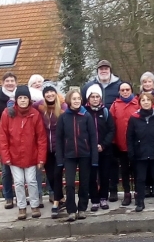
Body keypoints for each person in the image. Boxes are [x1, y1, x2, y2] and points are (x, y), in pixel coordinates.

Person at [0, 85, 47, 220]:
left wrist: (41, 159)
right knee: (19, 182)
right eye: (20, 98)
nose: (22, 100)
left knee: (32, 181)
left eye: (25, 98)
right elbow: (3, 137)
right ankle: (21, 207)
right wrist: (5, 156)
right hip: (14, 156)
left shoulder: (35, 114)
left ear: (29, 99)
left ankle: (34, 205)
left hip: (31, 156)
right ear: (16, 100)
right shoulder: (7, 114)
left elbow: (41, 138)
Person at [82, 60, 121, 202]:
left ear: (110, 70)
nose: (103, 71)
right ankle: (93, 196)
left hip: (109, 136)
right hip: (90, 144)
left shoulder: (118, 85)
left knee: (111, 166)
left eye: (106, 68)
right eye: (101, 69)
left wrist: (104, 143)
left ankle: (112, 190)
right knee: (92, 171)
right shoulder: (89, 86)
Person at [56, 90, 98, 221]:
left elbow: (93, 137)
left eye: (78, 98)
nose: (76, 101)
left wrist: (94, 159)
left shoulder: (86, 116)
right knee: (69, 184)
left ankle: (82, 209)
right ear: (69, 100)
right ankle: (71, 210)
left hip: (85, 154)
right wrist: (59, 158)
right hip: (69, 155)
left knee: (84, 183)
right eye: (74, 99)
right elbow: (58, 139)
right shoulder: (63, 117)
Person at [127, 93, 154, 212]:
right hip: (140, 154)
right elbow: (129, 138)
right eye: (143, 100)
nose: (145, 102)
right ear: (140, 103)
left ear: (152, 102)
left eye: (148, 100)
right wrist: (131, 153)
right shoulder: (134, 118)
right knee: (140, 179)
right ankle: (140, 202)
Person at [32, 81, 67, 218]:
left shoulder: (63, 106)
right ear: (44, 94)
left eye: (51, 91)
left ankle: (56, 203)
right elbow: (26, 105)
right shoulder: (39, 106)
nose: (49, 94)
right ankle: (62, 199)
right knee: (51, 176)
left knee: (57, 174)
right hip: (46, 147)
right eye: (47, 92)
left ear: (55, 92)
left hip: (59, 147)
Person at [85, 84, 115, 211]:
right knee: (92, 175)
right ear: (88, 98)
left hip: (104, 150)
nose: (95, 99)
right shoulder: (84, 112)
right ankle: (94, 200)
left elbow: (112, 130)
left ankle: (103, 198)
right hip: (89, 151)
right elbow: (81, 131)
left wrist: (103, 145)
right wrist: (91, 145)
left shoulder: (106, 112)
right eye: (93, 97)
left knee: (104, 175)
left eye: (97, 96)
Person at [110, 82, 139, 206]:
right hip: (121, 145)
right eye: (122, 90)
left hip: (137, 145)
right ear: (119, 92)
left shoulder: (138, 103)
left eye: (127, 89)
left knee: (137, 171)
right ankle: (127, 194)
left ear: (131, 90)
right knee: (125, 172)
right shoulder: (115, 105)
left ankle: (138, 193)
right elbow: (111, 125)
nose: (125, 92)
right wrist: (113, 142)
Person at [28, 74, 47, 208]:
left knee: (52, 168)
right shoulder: (30, 102)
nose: (38, 84)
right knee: (36, 171)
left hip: (49, 138)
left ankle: (53, 194)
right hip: (34, 140)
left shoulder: (50, 98)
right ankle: (38, 195)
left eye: (40, 81)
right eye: (35, 82)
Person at [139, 71, 154, 197]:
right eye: (144, 82)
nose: (147, 84)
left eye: (149, 81)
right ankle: (145, 189)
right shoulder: (138, 98)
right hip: (142, 137)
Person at [0, 72, 17, 209]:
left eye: (12, 80)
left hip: (19, 139)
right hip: (4, 138)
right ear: (3, 82)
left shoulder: (21, 96)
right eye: (7, 81)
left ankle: (21, 197)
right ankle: (8, 197)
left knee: (21, 171)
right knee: (6, 170)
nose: (10, 83)